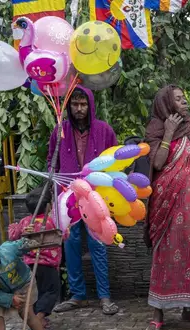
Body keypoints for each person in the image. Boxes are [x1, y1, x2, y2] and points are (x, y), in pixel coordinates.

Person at [47, 86, 120, 316]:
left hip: (95, 196)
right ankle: (77, 295)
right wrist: (53, 193)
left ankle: (104, 296)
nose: (79, 109)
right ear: (68, 107)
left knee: (98, 243)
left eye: (83, 104)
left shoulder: (104, 130)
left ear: (90, 105)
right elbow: (52, 162)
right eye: (75, 104)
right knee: (71, 245)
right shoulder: (60, 131)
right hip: (67, 197)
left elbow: (115, 161)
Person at [144, 85, 190, 330]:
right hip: (166, 200)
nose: (185, 103)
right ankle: (157, 313)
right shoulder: (156, 128)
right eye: (179, 99)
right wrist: (169, 134)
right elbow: (158, 163)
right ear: (166, 104)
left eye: (184, 98)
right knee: (166, 252)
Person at [8, 186, 66, 330]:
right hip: (47, 263)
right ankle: (39, 317)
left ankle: (38, 316)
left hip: (29, 262)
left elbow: (13, 236)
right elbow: (63, 236)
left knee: (39, 291)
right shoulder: (52, 221)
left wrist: (18, 229)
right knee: (51, 291)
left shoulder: (26, 222)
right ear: (48, 206)